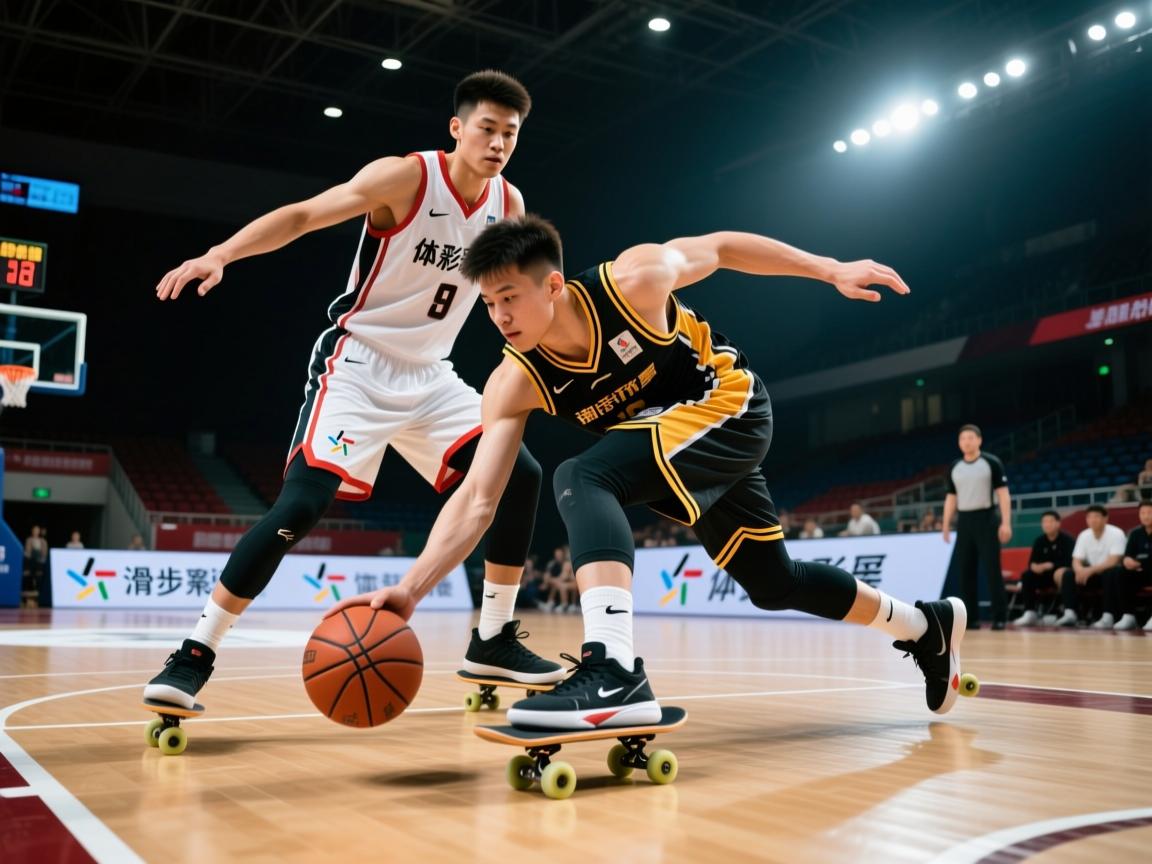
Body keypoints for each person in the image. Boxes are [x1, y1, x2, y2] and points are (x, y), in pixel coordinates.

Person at [328, 215, 969, 729]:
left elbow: (722, 247)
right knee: (774, 583)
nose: (499, 316)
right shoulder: (512, 382)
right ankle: (925, 625)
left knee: (582, 476)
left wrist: (829, 268)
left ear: (552, 286)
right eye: (489, 303)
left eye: (510, 298)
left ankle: (611, 667)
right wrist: (411, 588)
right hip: (679, 445)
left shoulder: (634, 281)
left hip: (729, 406)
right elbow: (478, 499)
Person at [143, 71, 563, 711]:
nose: (499, 143)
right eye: (488, 128)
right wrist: (220, 254)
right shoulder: (406, 178)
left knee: (520, 475)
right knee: (300, 507)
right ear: (457, 128)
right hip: (359, 364)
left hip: (432, 375)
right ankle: (195, 652)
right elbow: (304, 215)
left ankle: (494, 638)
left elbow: (520, 296)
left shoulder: (509, 204)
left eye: (511, 133)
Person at [941, 425, 1012, 630]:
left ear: (979, 440)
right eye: (963, 438)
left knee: (992, 568)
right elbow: (951, 497)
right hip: (964, 520)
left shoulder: (991, 463)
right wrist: (945, 524)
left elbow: (1003, 494)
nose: (967, 442)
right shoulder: (955, 467)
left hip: (987, 518)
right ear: (959, 442)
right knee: (965, 570)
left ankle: (1000, 617)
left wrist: (1006, 522)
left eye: (971, 438)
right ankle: (970, 619)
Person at [1055, 504, 1125, 627]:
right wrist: (1079, 570)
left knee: (1110, 572)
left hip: (1112, 577)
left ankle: (1108, 616)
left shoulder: (1116, 533)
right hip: (1091, 576)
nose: (1093, 520)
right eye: (1089, 517)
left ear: (1105, 518)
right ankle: (1070, 613)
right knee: (1068, 574)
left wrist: (1089, 570)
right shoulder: (1084, 535)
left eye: (1096, 516)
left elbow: (1113, 561)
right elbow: (1076, 560)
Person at [1094, 499, 1152, 631]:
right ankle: (1128, 615)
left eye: (1149, 512)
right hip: (1140, 573)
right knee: (1117, 572)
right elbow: (1128, 555)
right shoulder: (1135, 533)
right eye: (1142, 513)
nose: (1146, 516)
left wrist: (1140, 563)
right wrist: (1127, 561)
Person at [1011, 510, 1073, 627]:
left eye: (1050, 521)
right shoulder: (1039, 541)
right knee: (1027, 575)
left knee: (1067, 575)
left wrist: (1052, 565)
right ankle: (1030, 612)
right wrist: (1035, 567)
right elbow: (1032, 563)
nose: (1047, 524)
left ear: (1058, 523)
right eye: (1044, 522)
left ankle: (1069, 613)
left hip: (1060, 577)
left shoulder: (1067, 540)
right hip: (1043, 576)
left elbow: (1070, 562)